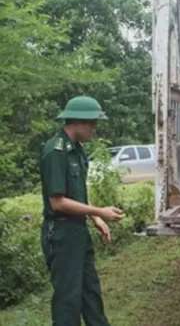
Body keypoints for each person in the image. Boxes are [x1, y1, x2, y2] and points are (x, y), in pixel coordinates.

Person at [40, 96, 124, 326]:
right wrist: (100, 210)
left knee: (91, 293)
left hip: (78, 230)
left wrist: (95, 217)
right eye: (92, 123)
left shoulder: (77, 151)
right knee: (68, 300)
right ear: (77, 122)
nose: (94, 129)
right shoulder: (55, 152)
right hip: (61, 234)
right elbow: (57, 202)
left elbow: (76, 193)